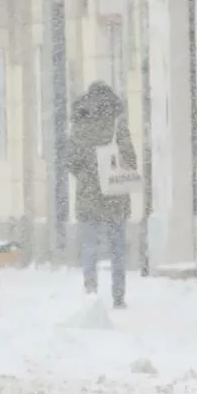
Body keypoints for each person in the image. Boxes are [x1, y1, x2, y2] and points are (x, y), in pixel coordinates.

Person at [67, 82, 137, 308]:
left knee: (89, 246)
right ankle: (119, 295)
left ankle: (91, 291)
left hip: (87, 194)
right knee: (118, 248)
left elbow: (70, 161)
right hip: (114, 193)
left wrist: (87, 173)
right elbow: (130, 157)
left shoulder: (79, 126)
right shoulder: (116, 123)